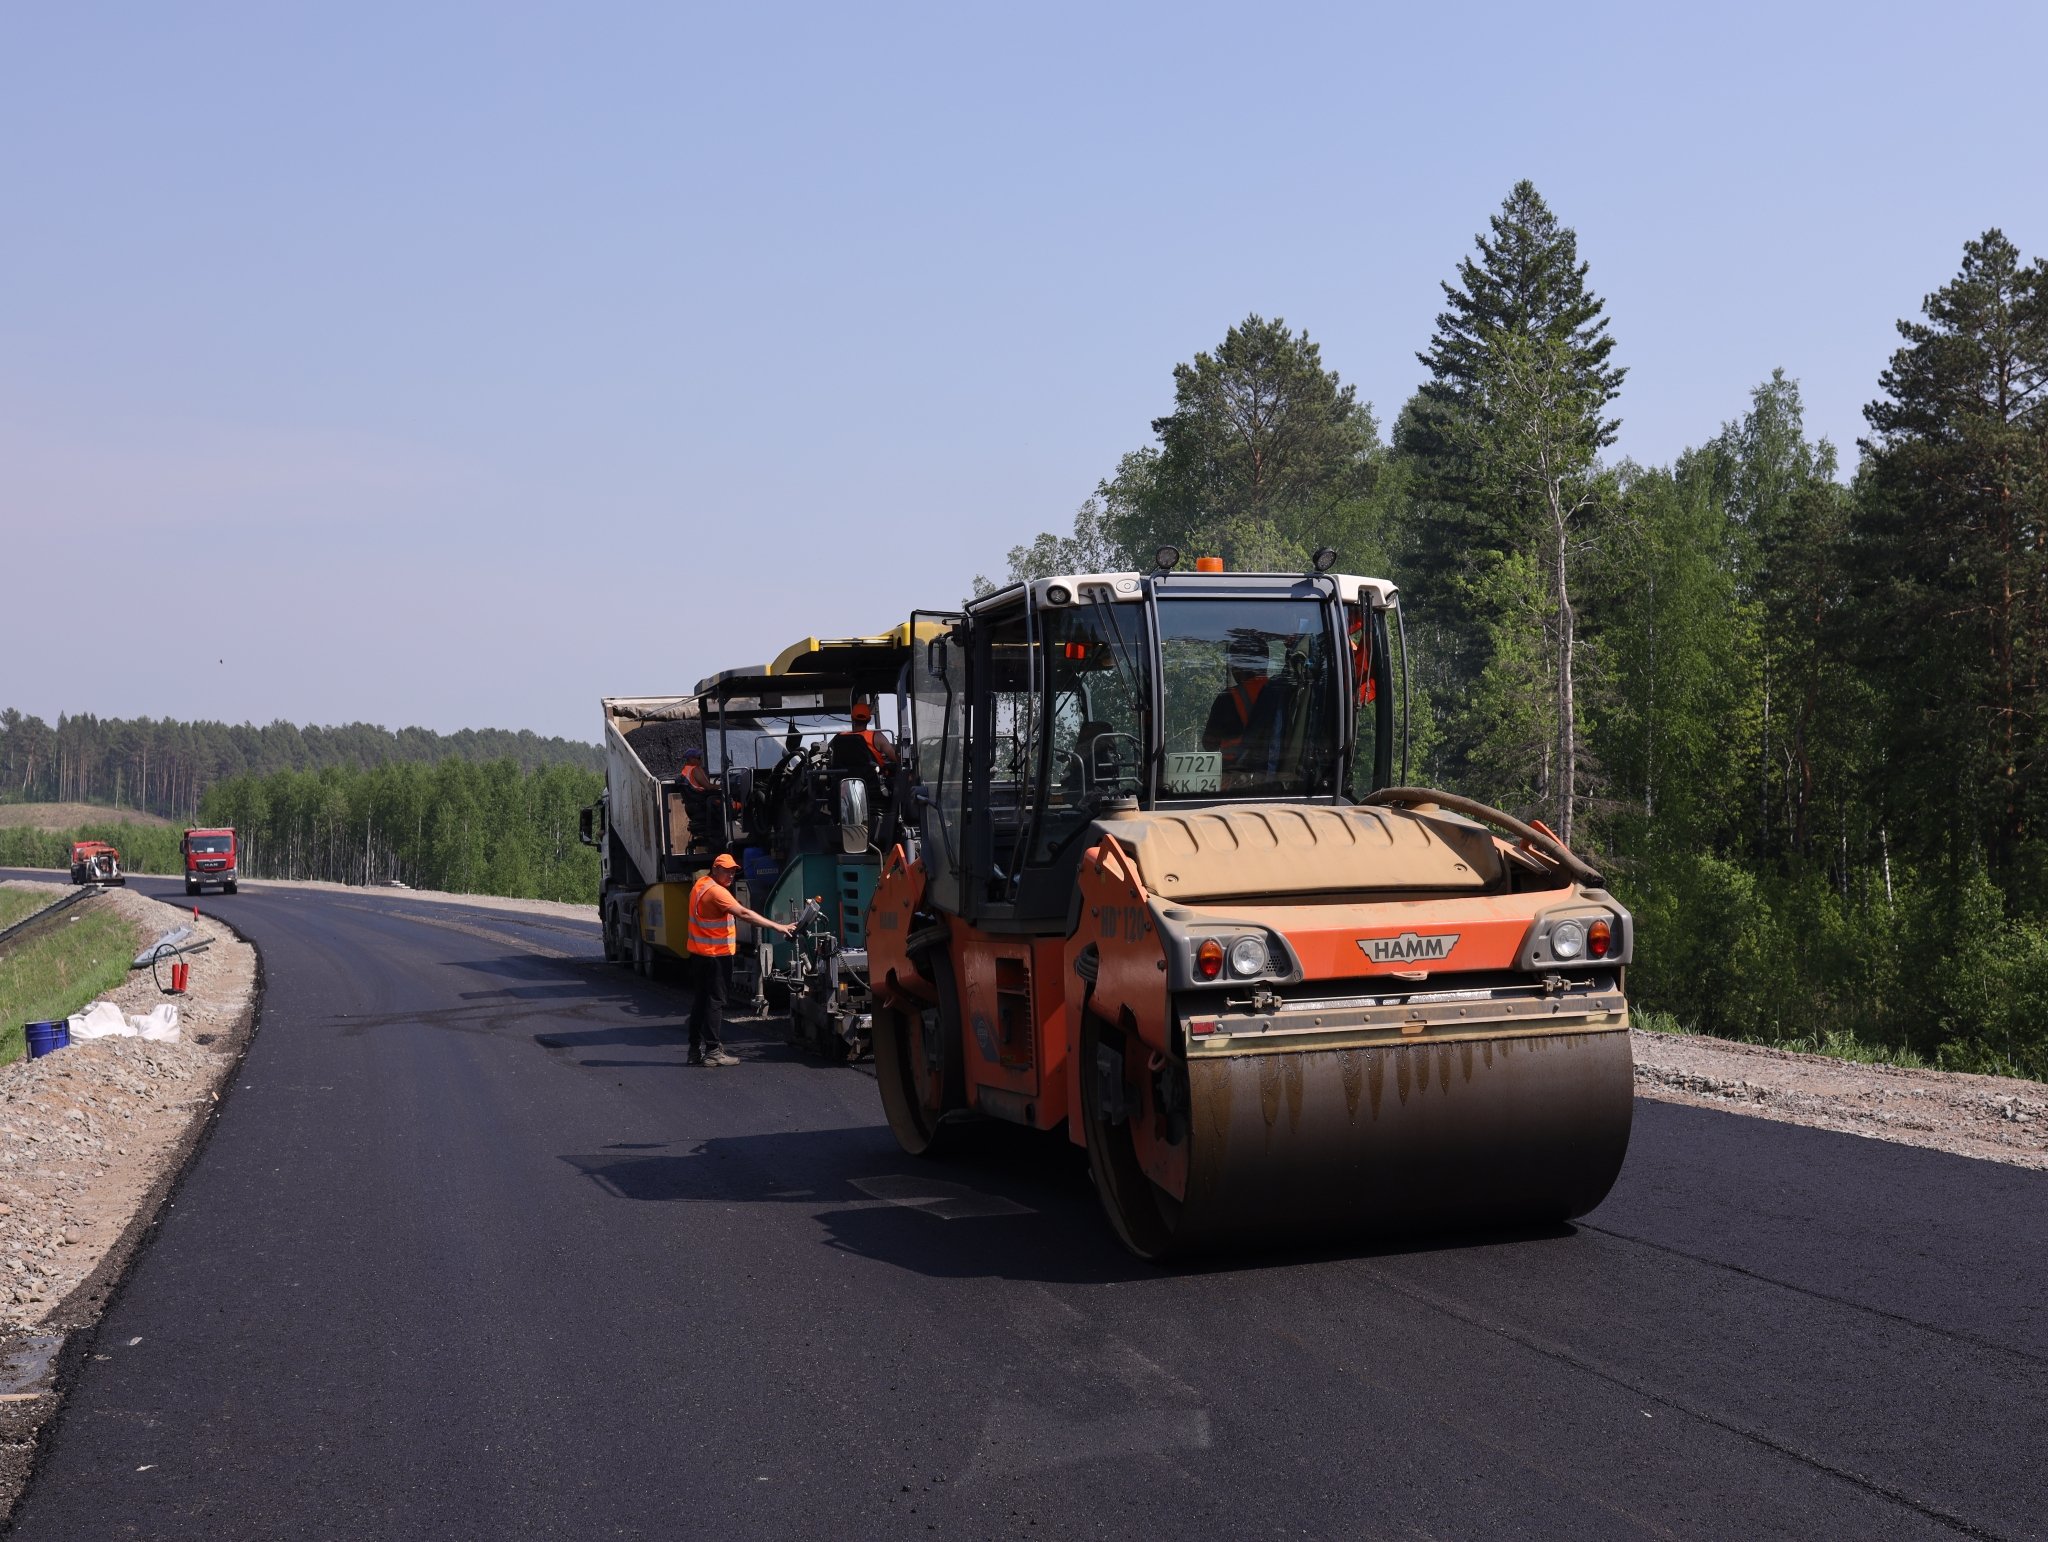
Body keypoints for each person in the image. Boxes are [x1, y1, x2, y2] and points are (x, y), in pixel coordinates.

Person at [685, 853, 795, 1067]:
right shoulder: (717, 892)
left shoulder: (701, 884)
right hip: (715, 957)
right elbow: (745, 913)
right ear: (715, 869)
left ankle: (694, 1049)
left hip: (699, 955)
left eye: (734, 871)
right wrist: (779, 926)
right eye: (726, 870)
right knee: (715, 1002)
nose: (731, 875)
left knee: (700, 1002)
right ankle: (713, 1050)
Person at [1201, 635, 1270, 762]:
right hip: (1275, 776)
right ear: (1266, 663)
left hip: (1235, 776)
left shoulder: (1226, 699)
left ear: (1239, 666)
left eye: (1233, 663)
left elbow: (1209, 745)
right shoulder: (1282, 693)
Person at [831, 701, 897, 772]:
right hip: (871, 778)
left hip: (844, 778)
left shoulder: (839, 737)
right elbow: (895, 758)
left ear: (852, 718)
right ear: (869, 719)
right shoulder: (877, 737)